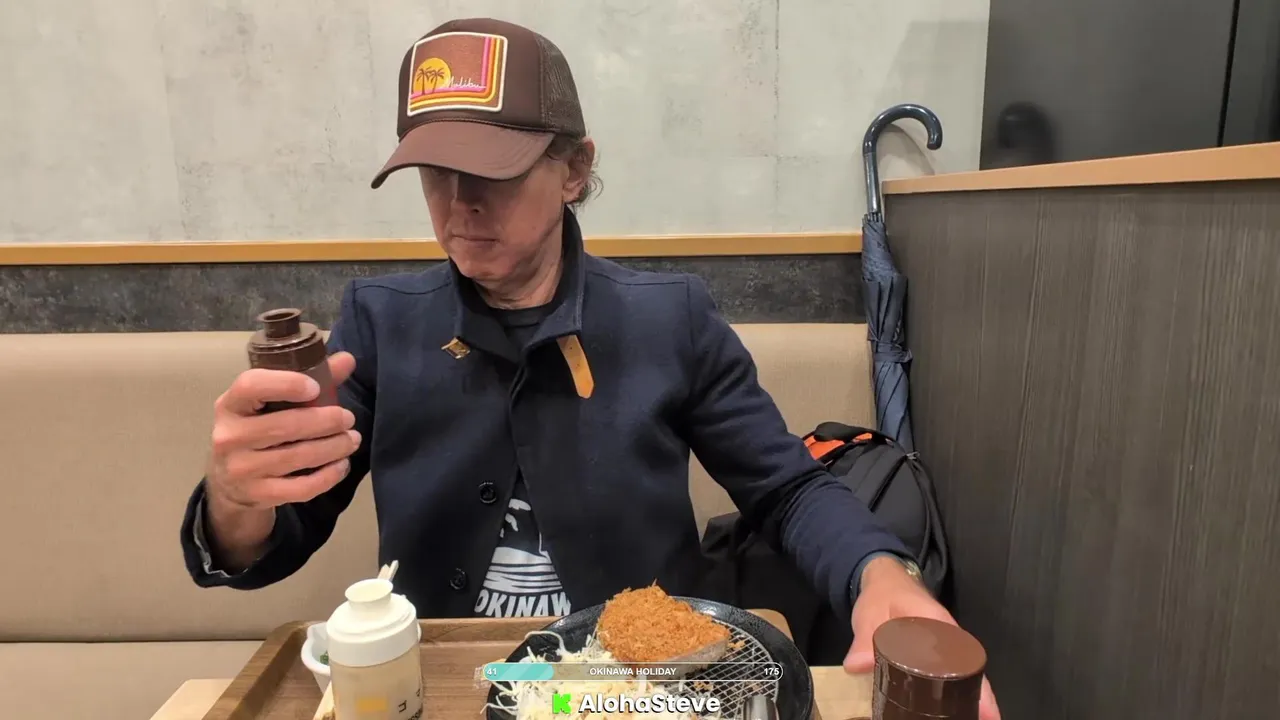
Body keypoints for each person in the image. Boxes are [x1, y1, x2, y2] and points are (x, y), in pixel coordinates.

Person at [179, 17, 998, 718]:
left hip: (642, 688)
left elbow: (785, 488)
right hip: (447, 684)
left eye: (492, 173)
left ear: (573, 169)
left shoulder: (668, 318)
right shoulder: (380, 322)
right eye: (435, 174)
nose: (459, 203)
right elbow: (273, 540)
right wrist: (237, 498)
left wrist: (881, 575)